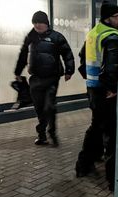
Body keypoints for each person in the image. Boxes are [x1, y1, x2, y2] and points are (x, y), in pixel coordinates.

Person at [75, 0, 118, 192]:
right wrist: (111, 89)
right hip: (110, 93)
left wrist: (92, 82)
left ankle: (83, 165)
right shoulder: (114, 38)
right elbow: (111, 69)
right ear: (108, 18)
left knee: (96, 128)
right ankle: (116, 181)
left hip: (95, 91)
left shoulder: (94, 34)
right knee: (116, 136)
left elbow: (83, 59)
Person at [14, 11, 74, 146]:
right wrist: (18, 72)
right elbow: (23, 54)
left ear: (46, 23)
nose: (37, 25)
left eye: (39, 22)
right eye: (34, 23)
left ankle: (51, 132)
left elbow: (67, 53)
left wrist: (69, 70)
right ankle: (42, 135)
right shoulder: (30, 37)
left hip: (52, 78)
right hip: (35, 79)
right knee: (39, 108)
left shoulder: (56, 37)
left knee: (49, 106)